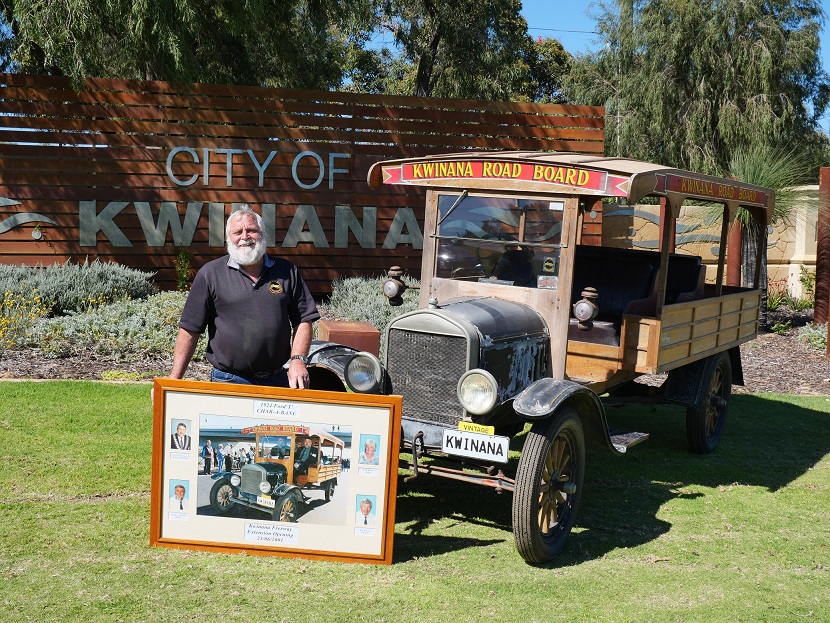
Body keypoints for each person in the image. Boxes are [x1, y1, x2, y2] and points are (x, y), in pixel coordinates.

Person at [169, 205, 320, 388]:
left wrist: (297, 360)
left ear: (262, 234)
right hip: (228, 380)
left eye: (251, 230)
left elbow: (304, 319)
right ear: (228, 238)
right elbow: (190, 329)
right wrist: (174, 379)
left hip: (277, 380)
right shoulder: (210, 274)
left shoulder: (287, 271)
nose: (245, 237)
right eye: (237, 232)